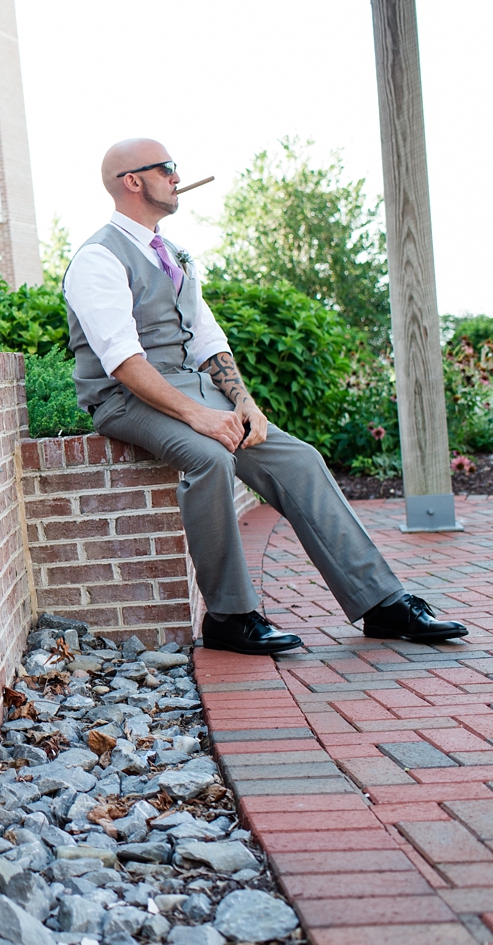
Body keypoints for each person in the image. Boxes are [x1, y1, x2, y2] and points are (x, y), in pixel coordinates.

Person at [62, 137, 466, 655]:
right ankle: (230, 617)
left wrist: (243, 403)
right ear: (132, 182)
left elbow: (208, 340)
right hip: (125, 399)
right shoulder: (99, 257)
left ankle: (382, 603)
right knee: (209, 458)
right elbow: (123, 362)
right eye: (167, 168)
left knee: (299, 459)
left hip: (194, 389)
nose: (177, 176)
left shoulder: (171, 254)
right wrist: (203, 419)